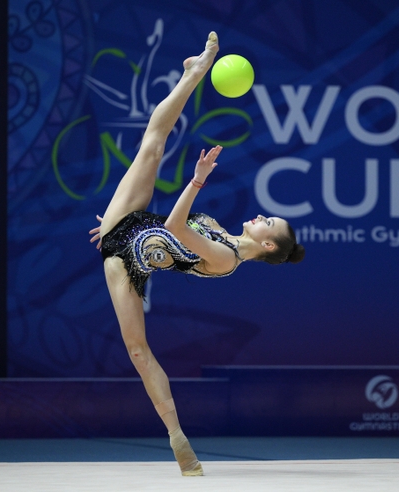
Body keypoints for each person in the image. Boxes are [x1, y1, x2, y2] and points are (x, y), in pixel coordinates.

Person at [88, 31, 304, 476]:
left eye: (269, 223)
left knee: (138, 350)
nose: (262, 215)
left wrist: (199, 179)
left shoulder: (227, 259)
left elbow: (175, 226)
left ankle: (176, 437)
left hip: (125, 261)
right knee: (153, 140)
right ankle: (194, 72)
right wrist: (116, 220)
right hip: (131, 222)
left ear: (266, 246)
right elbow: (166, 226)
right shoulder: (224, 234)